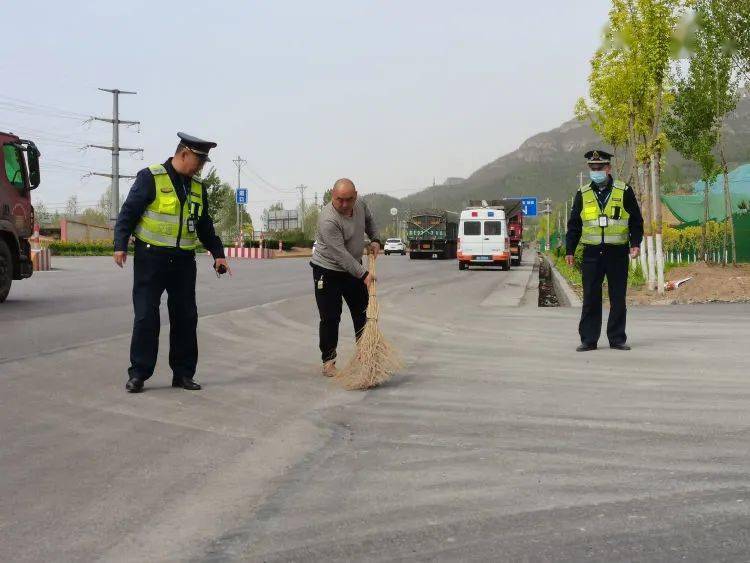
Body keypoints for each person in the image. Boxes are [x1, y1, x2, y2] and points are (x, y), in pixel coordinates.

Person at [114, 133, 230, 393]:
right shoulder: (150, 177)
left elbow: (204, 225)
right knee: (146, 316)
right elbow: (129, 212)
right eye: (199, 161)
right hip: (150, 258)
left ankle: (183, 373)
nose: (200, 167)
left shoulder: (198, 187)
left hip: (183, 262)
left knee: (186, 317)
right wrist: (120, 244)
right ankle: (139, 374)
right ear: (184, 154)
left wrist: (218, 253)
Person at [565, 150, 644, 352]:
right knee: (591, 297)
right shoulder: (582, 194)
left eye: (599, 168)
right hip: (591, 253)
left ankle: (617, 338)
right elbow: (574, 224)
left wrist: (635, 243)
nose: (596, 171)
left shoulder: (624, 190)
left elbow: (636, 220)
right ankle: (589, 340)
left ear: (608, 168)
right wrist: (570, 250)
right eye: (592, 168)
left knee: (618, 297)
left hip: (617, 253)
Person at [311, 178, 381, 377]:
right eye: (339, 199)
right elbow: (340, 255)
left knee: (362, 312)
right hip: (328, 270)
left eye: (348, 200)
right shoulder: (328, 219)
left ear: (355, 196)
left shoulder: (361, 205)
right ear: (333, 196)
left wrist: (375, 239)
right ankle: (329, 361)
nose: (343, 204)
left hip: (353, 268)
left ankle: (365, 352)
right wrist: (364, 274)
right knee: (330, 317)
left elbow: (369, 221)